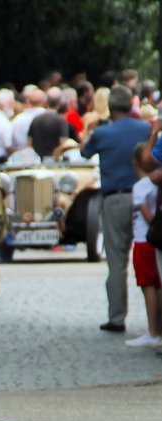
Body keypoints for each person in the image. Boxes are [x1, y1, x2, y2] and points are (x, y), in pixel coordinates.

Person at [84, 86, 151, 333]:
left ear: (111, 108)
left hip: (115, 198)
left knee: (116, 261)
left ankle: (117, 317)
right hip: (146, 195)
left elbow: (85, 151)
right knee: (153, 259)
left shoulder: (103, 132)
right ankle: (155, 321)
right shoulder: (144, 128)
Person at [126, 142, 162, 347]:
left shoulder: (141, 186)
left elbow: (146, 214)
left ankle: (153, 330)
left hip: (144, 238)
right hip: (152, 239)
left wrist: (154, 227)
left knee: (148, 285)